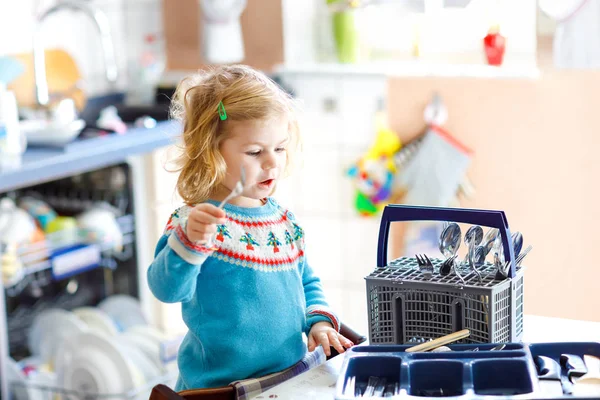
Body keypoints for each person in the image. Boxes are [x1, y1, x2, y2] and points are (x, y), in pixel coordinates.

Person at [147, 64, 353, 391]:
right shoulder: (194, 222)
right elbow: (167, 290)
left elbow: (305, 279)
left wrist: (317, 322)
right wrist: (188, 245)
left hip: (288, 378)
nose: (272, 162)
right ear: (210, 152)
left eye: (280, 148)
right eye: (256, 151)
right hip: (220, 389)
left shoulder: (283, 222)